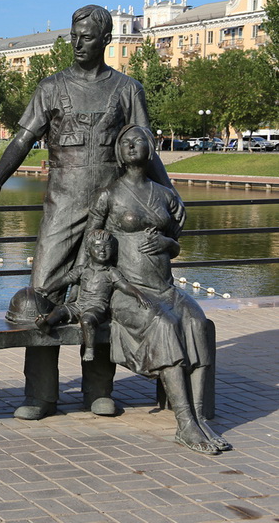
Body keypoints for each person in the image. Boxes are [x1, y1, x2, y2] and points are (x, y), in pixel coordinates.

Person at [0, 4, 179, 420]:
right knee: (41, 293)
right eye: (73, 34)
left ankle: (99, 389)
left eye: (86, 36)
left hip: (112, 209)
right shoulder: (50, 87)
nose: (77, 42)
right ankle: (41, 393)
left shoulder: (127, 89)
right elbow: (24, 139)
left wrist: (170, 196)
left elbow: (145, 149)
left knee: (102, 293)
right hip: (62, 206)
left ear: (106, 40)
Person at [87, 124, 228, 454]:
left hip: (164, 288)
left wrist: (166, 241)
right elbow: (90, 243)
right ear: (119, 154)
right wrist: (98, 286)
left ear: (151, 149)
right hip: (127, 290)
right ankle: (186, 423)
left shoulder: (165, 195)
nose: (132, 146)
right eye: (125, 143)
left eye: (139, 141)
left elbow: (176, 246)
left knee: (197, 324)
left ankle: (199, 416)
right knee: (164, 327)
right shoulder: (109, 194)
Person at [34, 229, 152, 362]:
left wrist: (139, 294)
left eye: (106, 247)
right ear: (88, 250)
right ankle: (47, 324)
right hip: (78, 305)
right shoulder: (83, 269)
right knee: (60, 310)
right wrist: (47, 290)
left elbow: (124, 285)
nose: (102, 250)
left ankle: (90, 349)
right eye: (97, 246)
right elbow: (65, 280)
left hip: (97, 307)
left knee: (86, 320)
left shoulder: (110, 272)